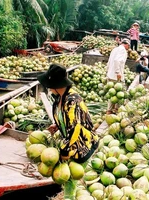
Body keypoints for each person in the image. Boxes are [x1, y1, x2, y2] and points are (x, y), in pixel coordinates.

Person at [37, 64, 99, 198]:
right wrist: (58, 125)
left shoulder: (72, 101)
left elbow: (75, 128)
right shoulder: (60, 98)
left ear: (55, 84)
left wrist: (65, 152)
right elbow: (67, 120)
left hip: (83, 143)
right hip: (71, 143)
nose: (47, 87)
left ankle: (69, 197)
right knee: (69, 178)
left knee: (70, 180)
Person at [106, 38, 130, 114]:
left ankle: (109, 110)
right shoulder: (123, 50)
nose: (128, 48)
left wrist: (108, 71)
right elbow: (117, 60)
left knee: (112, 94)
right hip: (116, 76)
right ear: (126, 44)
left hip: (110, 74)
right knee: (121, 93)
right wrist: (118, 72)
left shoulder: (115, 49)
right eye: (128, 46)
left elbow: (109, 61)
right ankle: (117, 110)